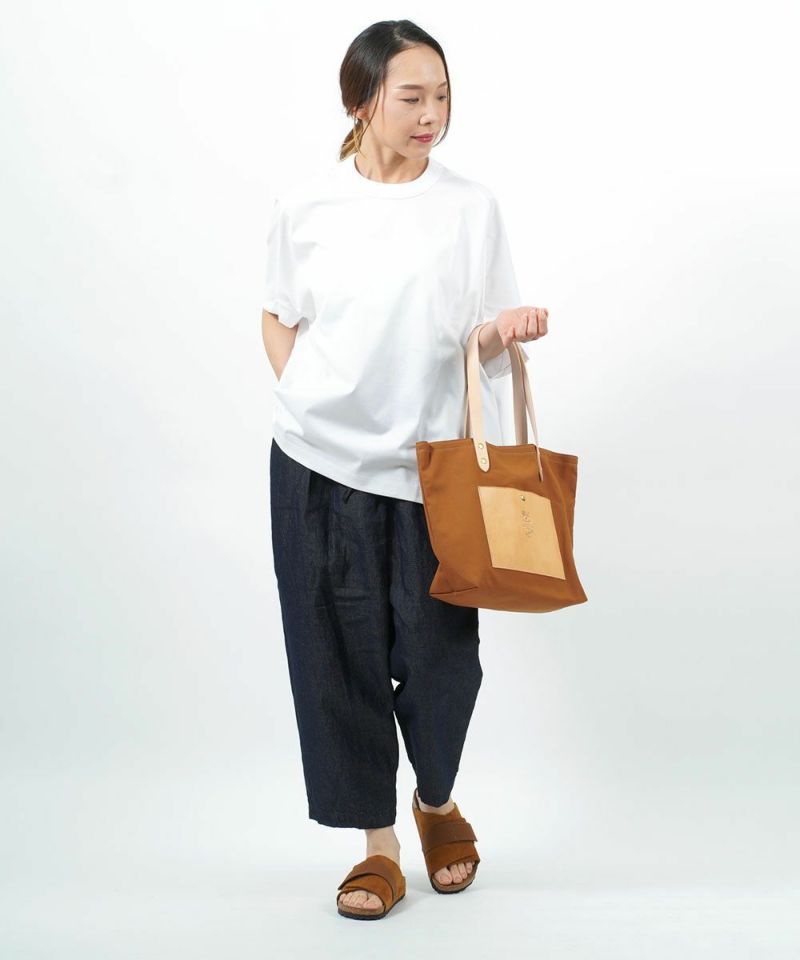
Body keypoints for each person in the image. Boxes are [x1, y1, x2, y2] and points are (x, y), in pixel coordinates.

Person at [261, 19, 548, 920]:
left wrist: (503, 332)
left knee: (441, 658)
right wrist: (309, 398)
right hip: (316, 469)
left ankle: (436, 801)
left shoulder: (470, 208)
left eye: (443, 97)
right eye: (412, 97)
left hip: (434, 471)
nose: (432, 115)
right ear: (361, 102)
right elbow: (278, 313)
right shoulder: (307, 207)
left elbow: (480, 338)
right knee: (333, 658)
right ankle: (377, 845)